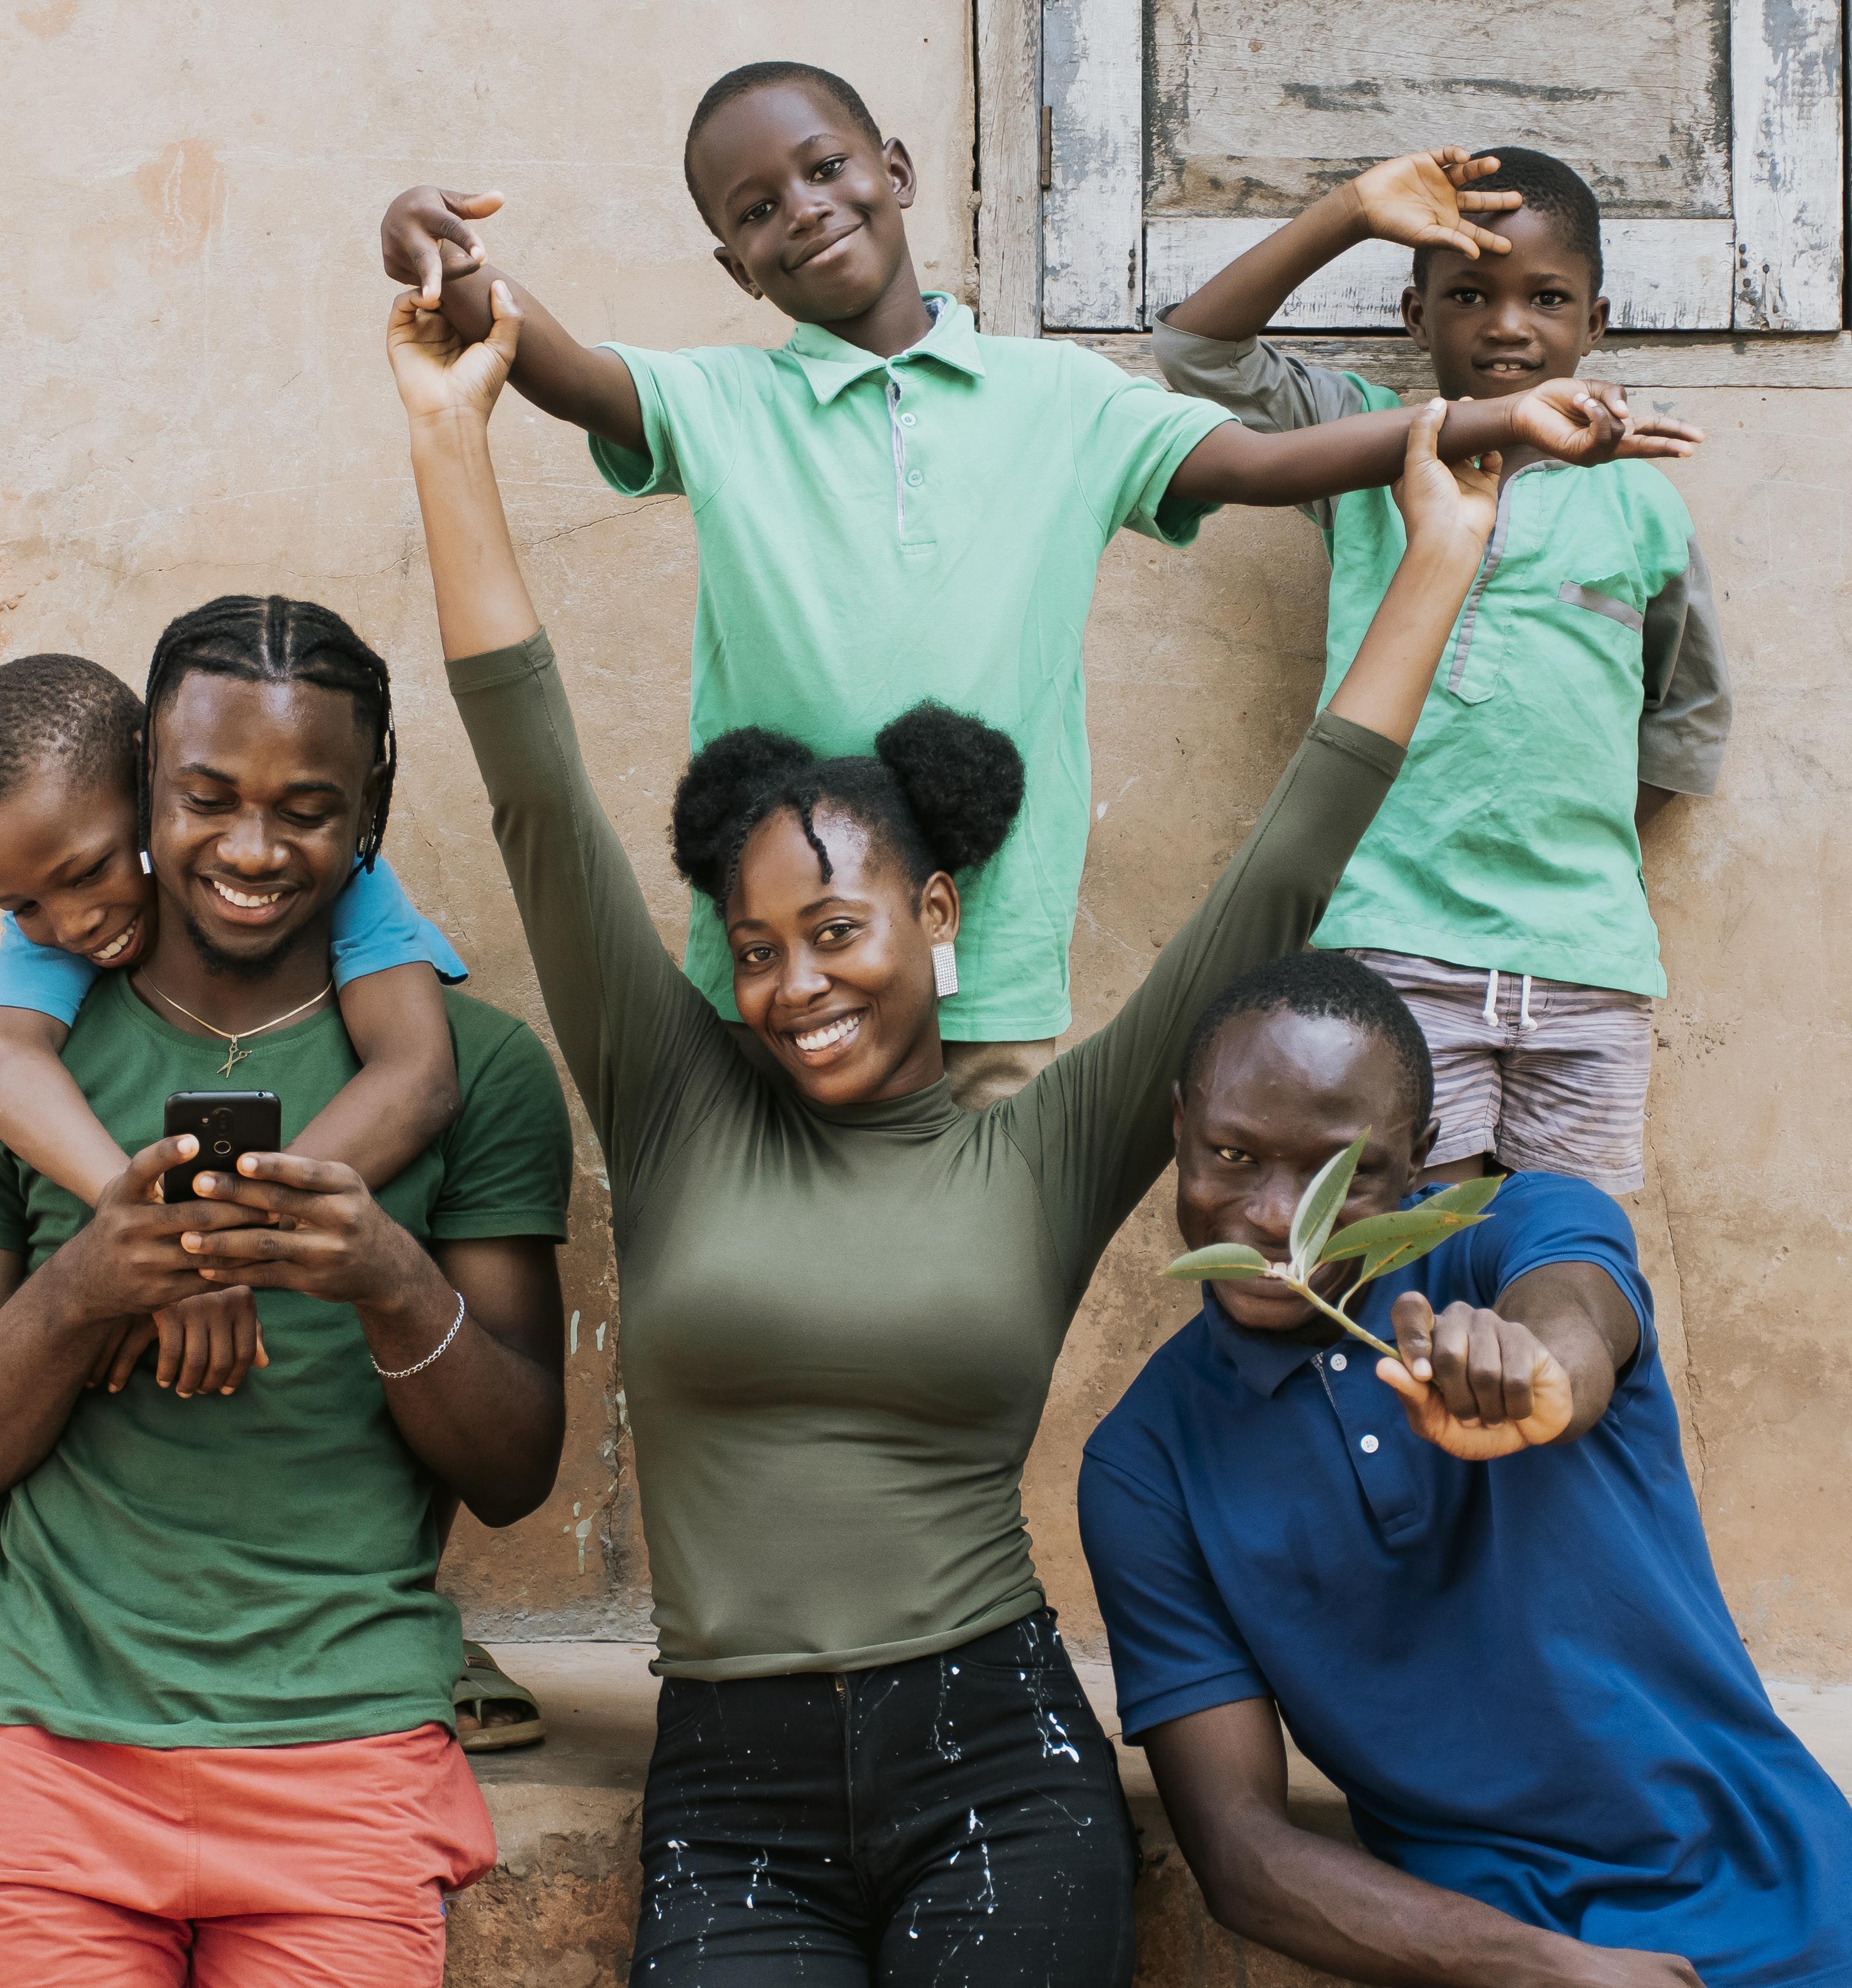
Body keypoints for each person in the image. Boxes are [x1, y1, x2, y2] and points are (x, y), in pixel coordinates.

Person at [387, 273, 1499, 1984]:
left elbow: (1284, 865)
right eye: (755, 948)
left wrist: (1434, 554)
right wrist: (451, 430)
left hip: (994, 1760)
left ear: (937, 913)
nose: (793, 984)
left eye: (838, 931)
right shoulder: (674, 1102)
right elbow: (530, 771)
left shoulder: (1043, 1151)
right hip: (733, 1794)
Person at [381, 71, 1699, 1107]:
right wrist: (439, 256)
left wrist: (1495, 423)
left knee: (969, 1320)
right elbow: (551, 364)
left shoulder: (1063, 398)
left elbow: (1263, 458)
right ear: (737, 267)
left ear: (893, 172)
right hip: (773, 978)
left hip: (992, 981)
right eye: (756, 208)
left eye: (827, 168)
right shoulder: (718, 401)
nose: (804, 208)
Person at [0, 595, 575, 1984]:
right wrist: (89, 1284)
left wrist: (385, 1278)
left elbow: (512, 1471)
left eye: (308, 809)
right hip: (48, 1756)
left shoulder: (477, 1071)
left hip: (347, 1759)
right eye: (204, 798)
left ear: (371, 808)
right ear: (142, 781)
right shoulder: (13, 1072)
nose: (252, 849)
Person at [1075, 950, 1852, 1988]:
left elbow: (1576, 1313)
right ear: (1178, 1125)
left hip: (1788, 1917)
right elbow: (1242, 1852)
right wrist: (1548, 1970)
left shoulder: (1515, 1232)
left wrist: (1535, 1373)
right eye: (1231, 1152)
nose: (1272, 1215)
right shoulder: (1144, 1464)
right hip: (1501, 1953)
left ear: (1418, 1162)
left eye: (1334, 1175)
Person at [1156, 147, 1732, 1193]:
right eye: (1469, 293)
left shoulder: (1646, 501)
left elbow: (1684, 720)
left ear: (1595, 322)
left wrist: (1550, 833)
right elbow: (1198, 350)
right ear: (1417, 318)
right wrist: (1346, 213)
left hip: (1587, 964)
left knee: (1570, 1254)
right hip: (1394, 951)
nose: (1508, 324)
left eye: (1547, 298)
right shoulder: (1370, 446)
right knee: (1418, 1253)